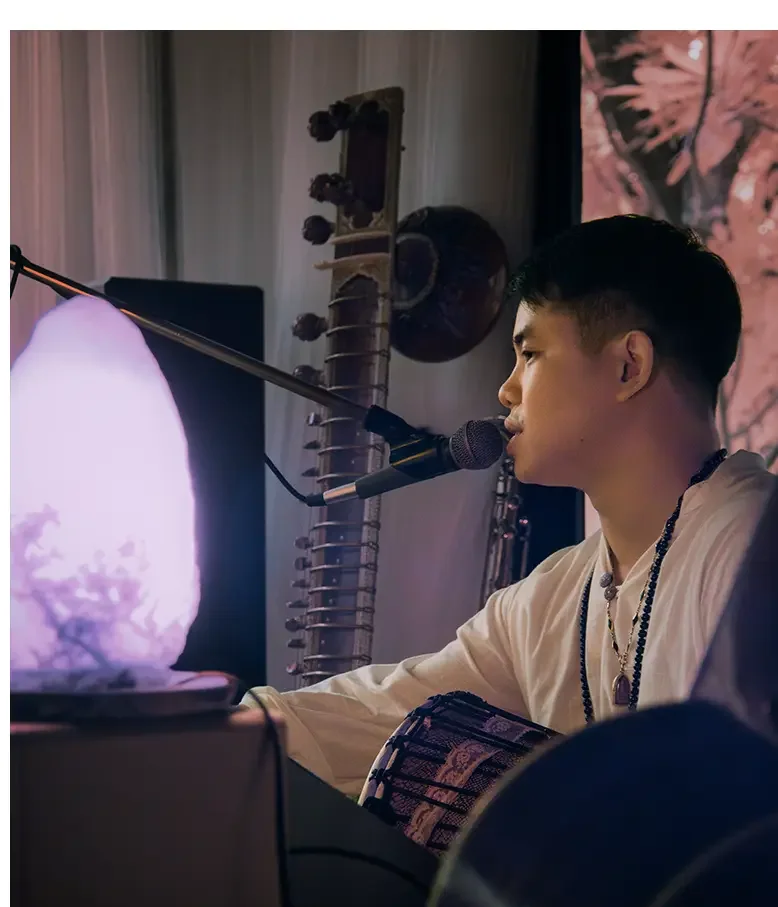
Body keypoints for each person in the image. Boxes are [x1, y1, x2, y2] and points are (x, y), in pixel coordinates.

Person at [246, 215, 776, 797]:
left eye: (530, 354)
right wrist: (213, 725)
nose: (506, 390)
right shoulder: (548, 599)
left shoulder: (752, 547)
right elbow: (372, 717)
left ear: (629, 365)